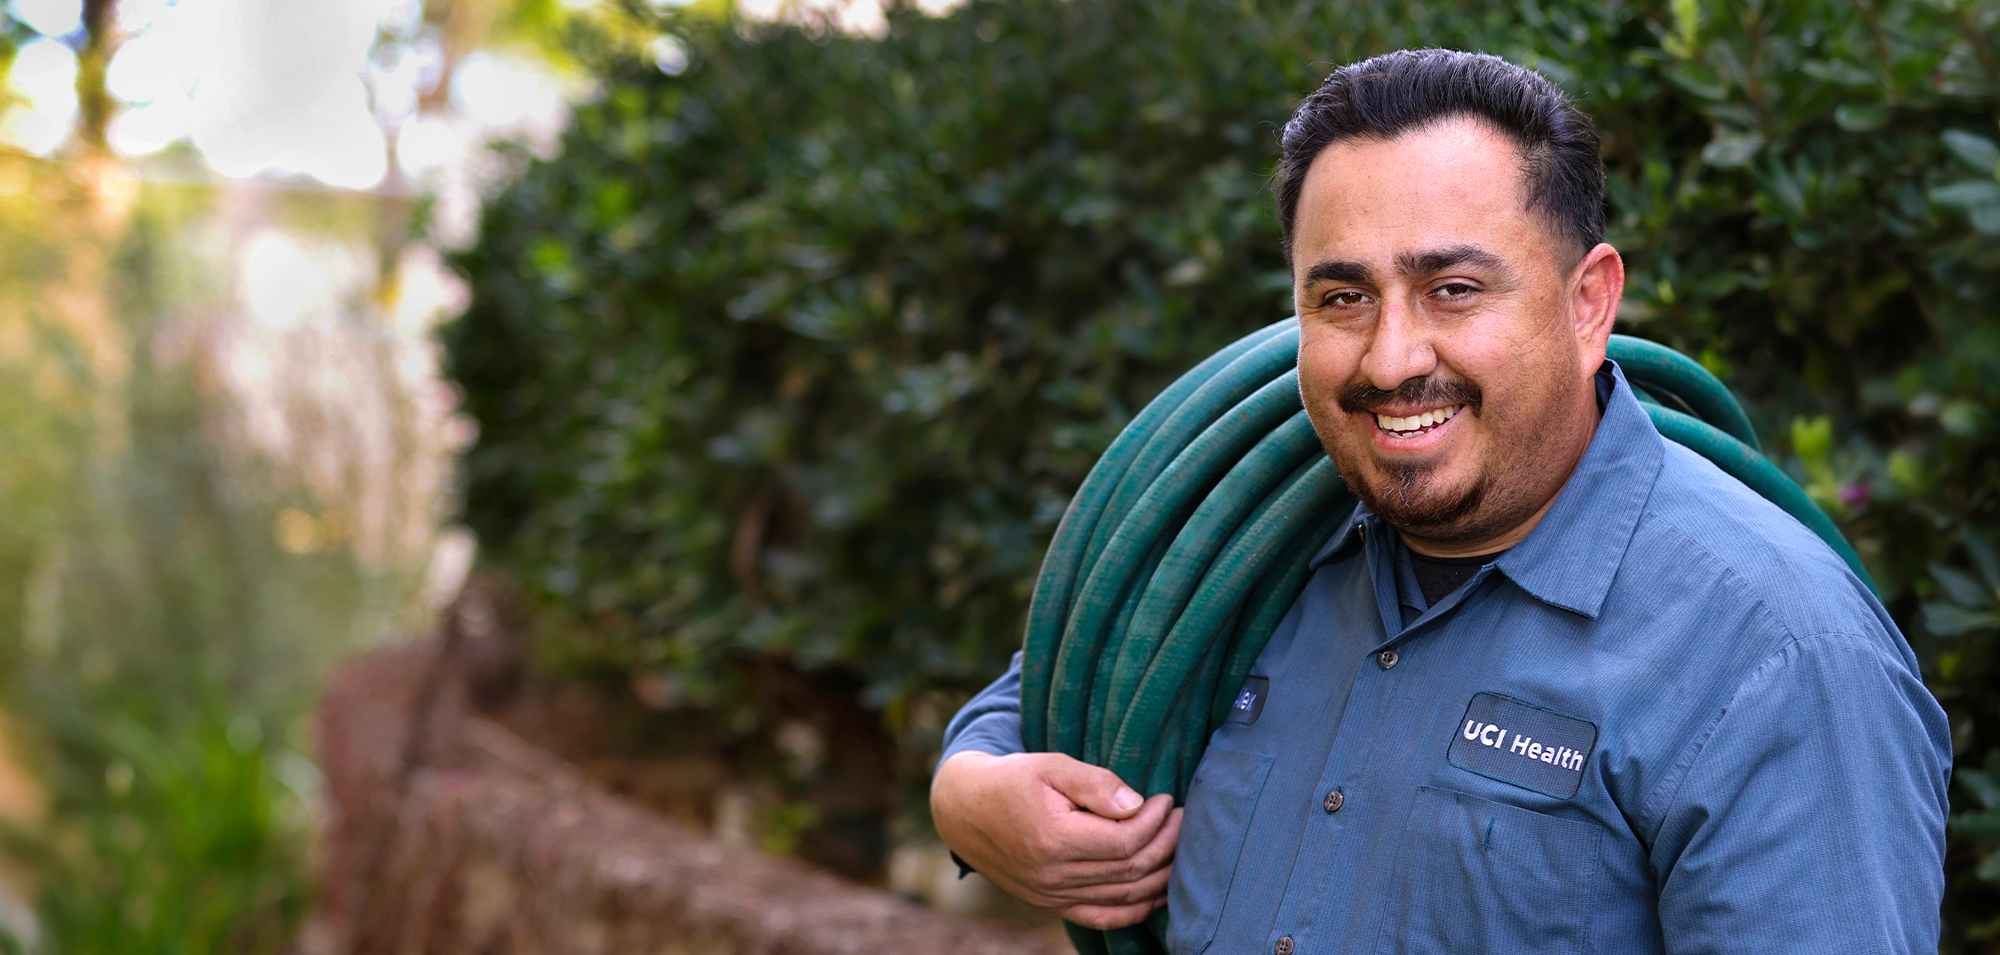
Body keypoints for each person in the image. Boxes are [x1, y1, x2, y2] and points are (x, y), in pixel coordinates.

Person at [930, 48, 1952, 954]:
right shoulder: (1256, 544)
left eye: (1451, 289)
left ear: (1587, 302)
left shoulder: (1775, 657)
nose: (1390, 357)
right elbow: (1059, 678)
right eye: (1341, 298)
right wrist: (967, 792)